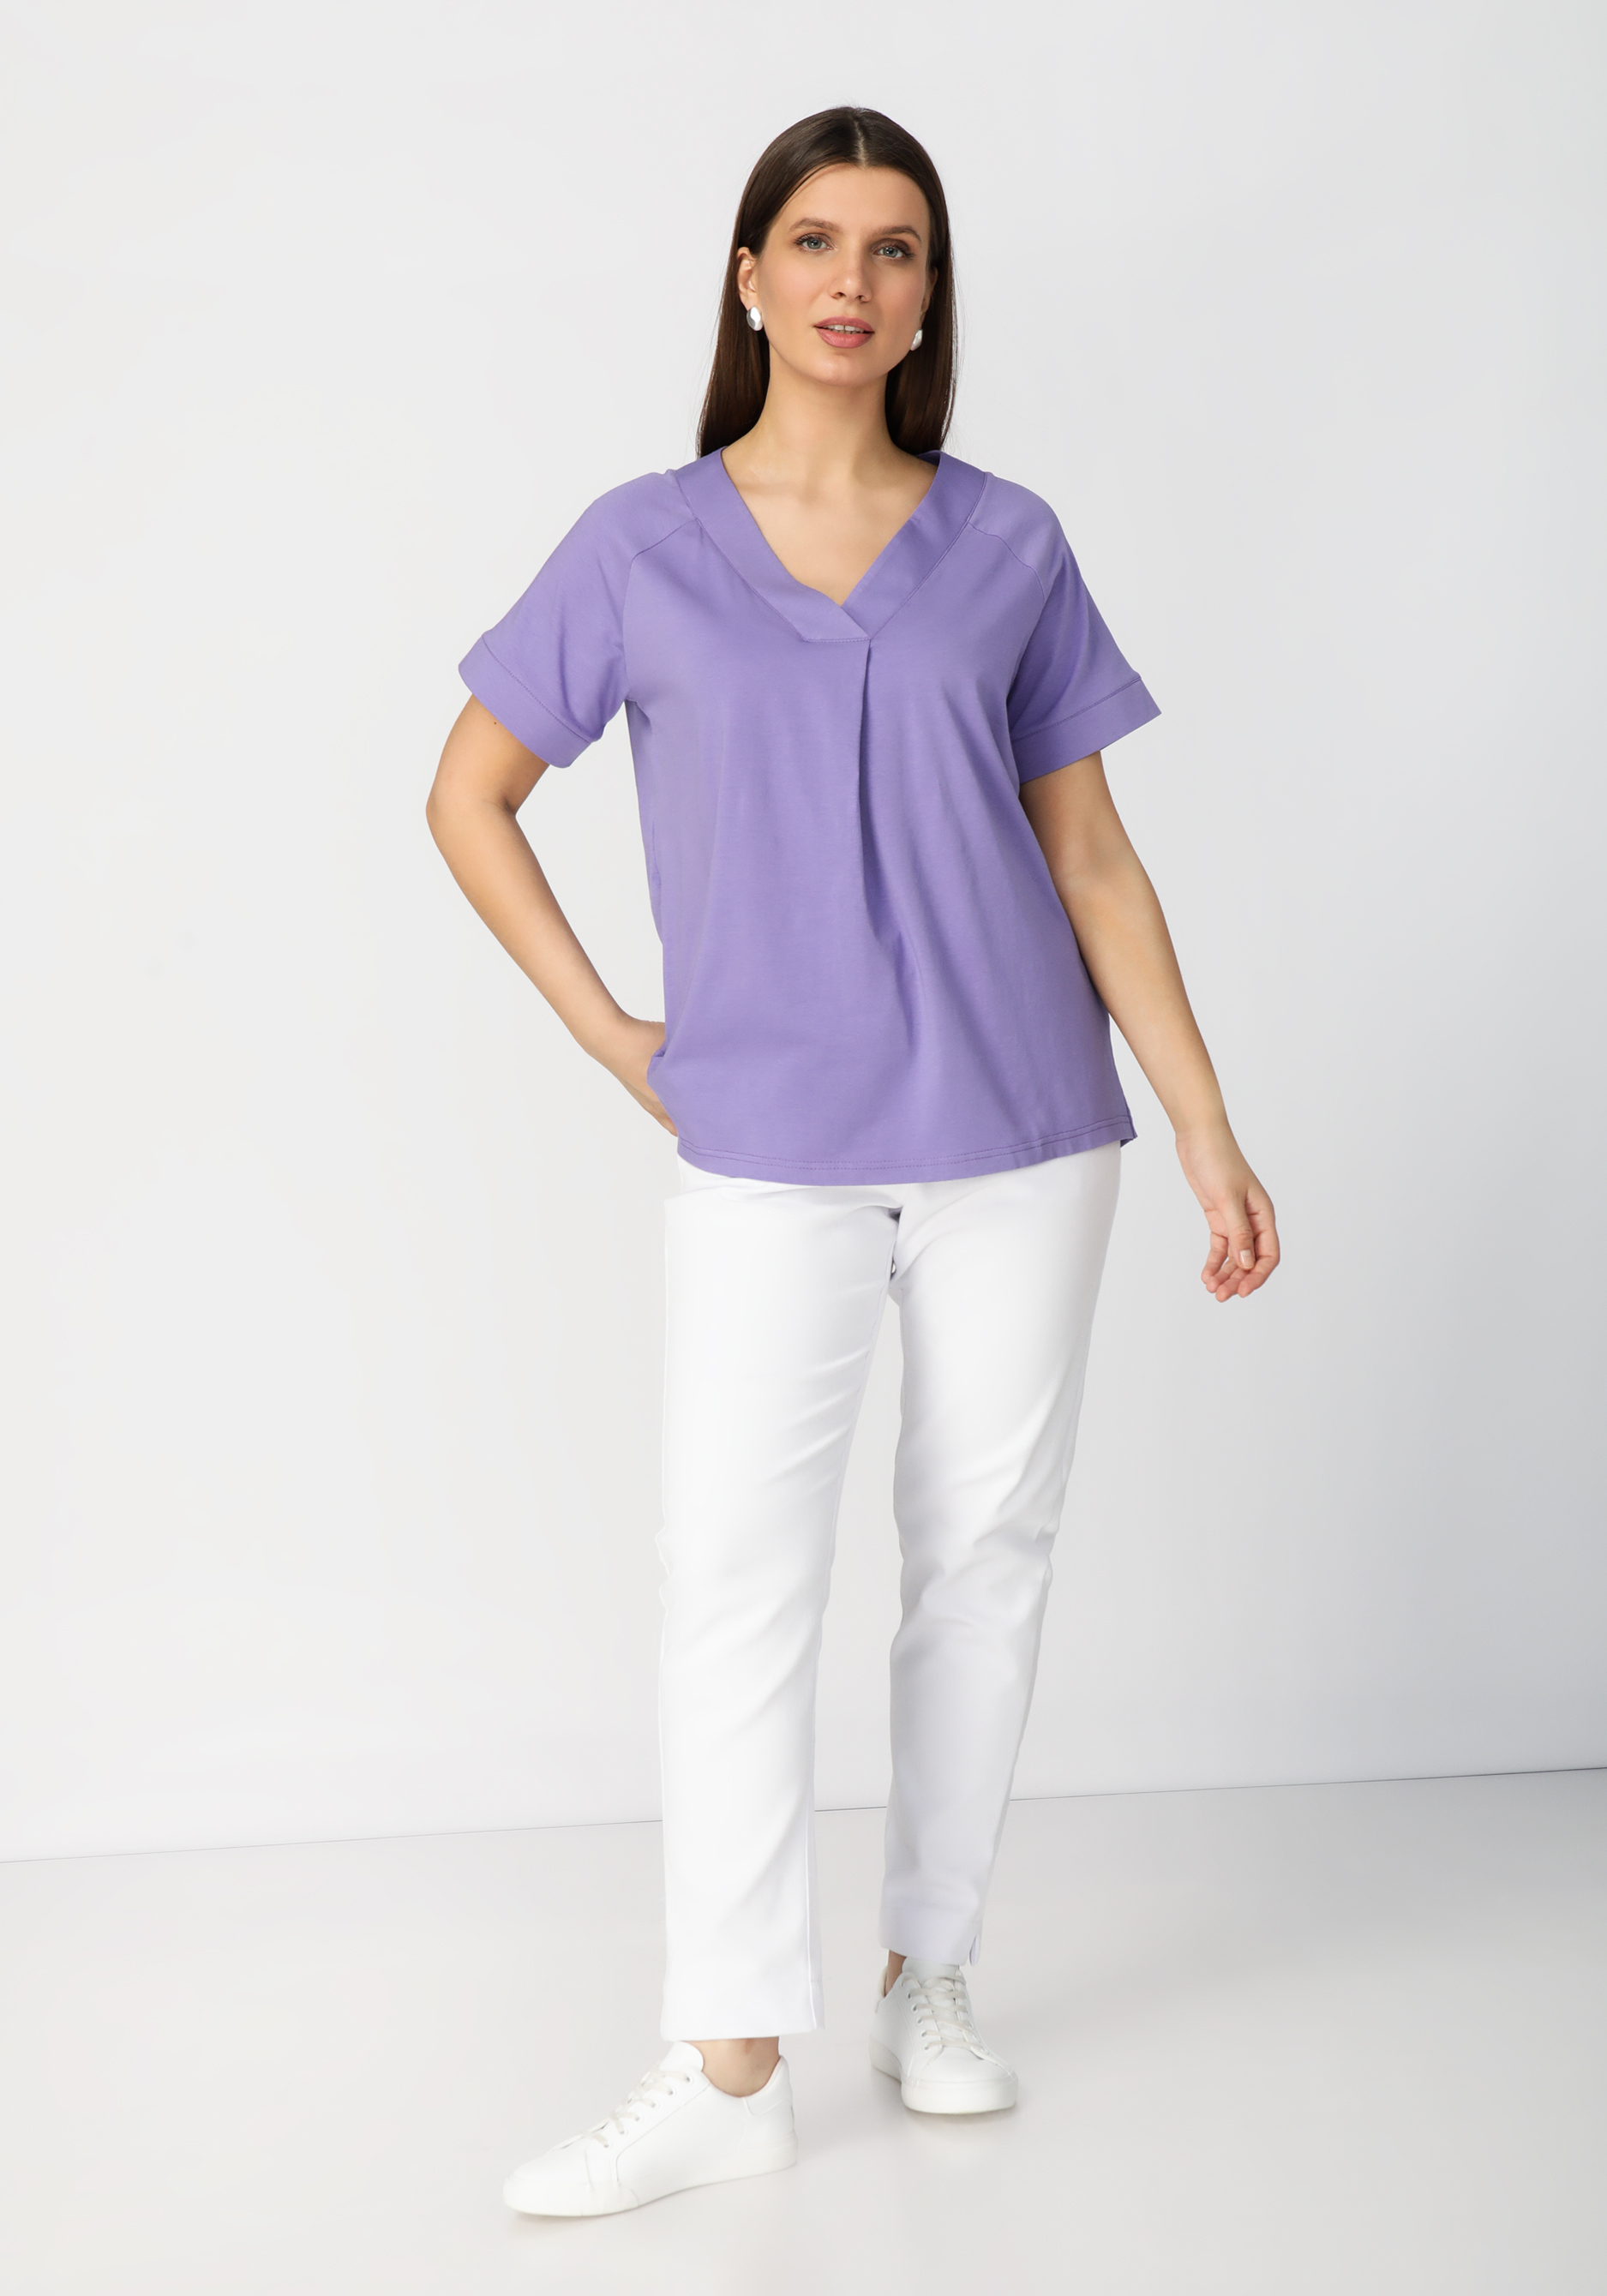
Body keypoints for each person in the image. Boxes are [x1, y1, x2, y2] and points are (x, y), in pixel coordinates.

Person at [426, 104, 1279, 2219]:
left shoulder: (1006, 542)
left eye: (894, 248)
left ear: (925, 297)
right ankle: (727, 2055)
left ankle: (929, 1971)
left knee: (981, 1557)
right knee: (735, 1575)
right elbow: (468, 792)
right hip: (772, 1143)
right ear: (748, 278)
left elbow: (1088, 855)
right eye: (813, 241)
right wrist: (614, 1032)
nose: (851, 280)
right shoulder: (640, 544)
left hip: (1020, 1128)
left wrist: (1200, 1116)